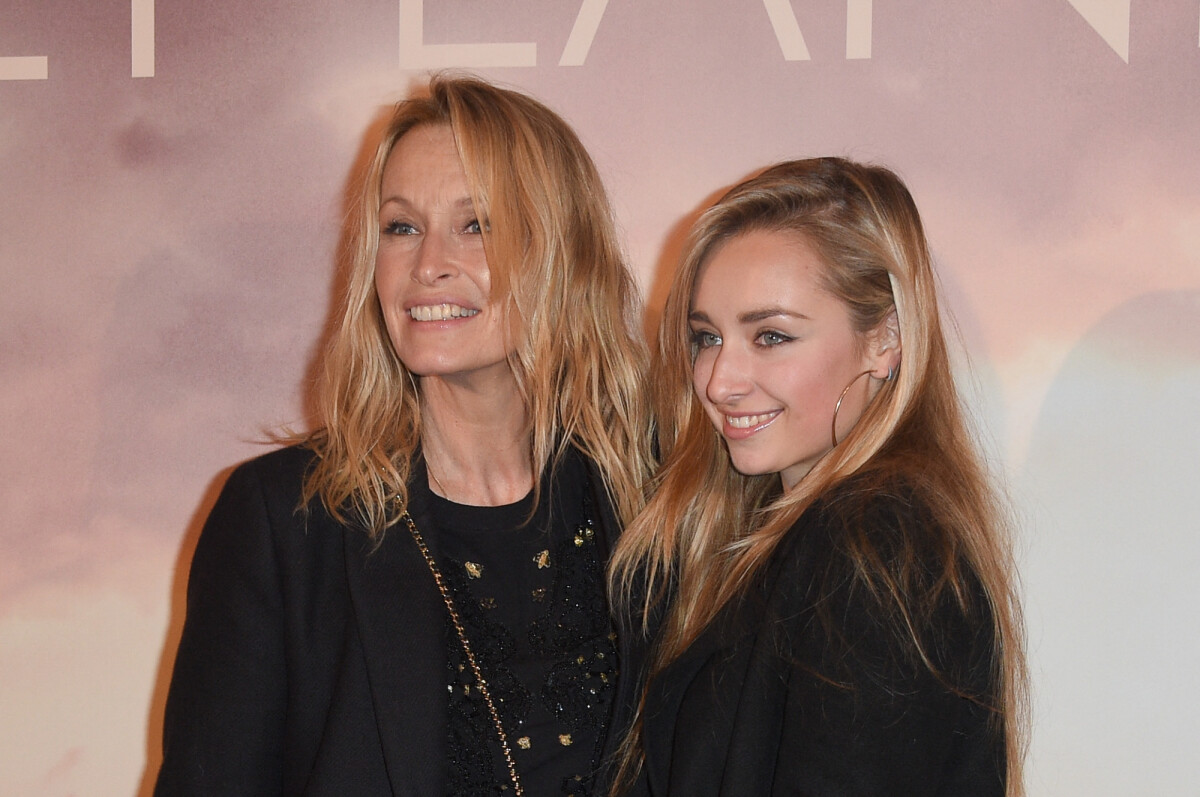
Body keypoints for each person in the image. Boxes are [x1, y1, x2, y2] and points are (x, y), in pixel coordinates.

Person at [155, 75, 654, 796]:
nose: (428, 265)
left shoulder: (653, 499)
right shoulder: (284, 522)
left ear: (562, 252)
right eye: (402, 227)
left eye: (476, 223)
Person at [606, 158, 1027, 796]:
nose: (720, 381)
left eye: (771, 336)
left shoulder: (876, 545)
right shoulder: (792, 535)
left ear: (885, 338)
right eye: (705, 338)